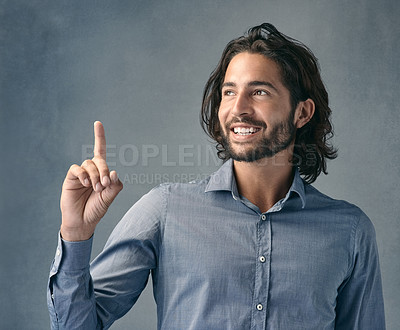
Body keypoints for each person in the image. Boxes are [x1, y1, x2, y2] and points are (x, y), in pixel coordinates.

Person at [47, 23, 385, 329]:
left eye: (260, 92)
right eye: (229, 92)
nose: (238, 108)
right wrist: (75, 234)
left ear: (302, 112)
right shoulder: (164, 211)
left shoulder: (350, 231)